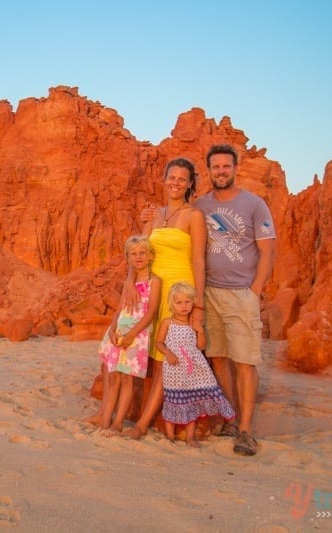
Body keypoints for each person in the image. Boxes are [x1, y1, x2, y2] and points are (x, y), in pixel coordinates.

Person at [195, 144, 276, 456]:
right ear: (209, 170)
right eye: (215, 167)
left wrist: (254, 290)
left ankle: (245, 430)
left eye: (226, 167)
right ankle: (230, 417)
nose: (221, 172)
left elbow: (268, 251)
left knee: (244, 361)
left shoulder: (254, 205)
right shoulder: (201, 205)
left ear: (235, 168)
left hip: (242, 294)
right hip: (210, 292)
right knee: (218, 358)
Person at [121, 158, 207, 440]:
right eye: (172, 177)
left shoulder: (194, 216)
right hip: (152, 291)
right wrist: (130, 282)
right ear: (164, 179)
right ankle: (120, 413)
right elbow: (140, 251)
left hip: (178, 293)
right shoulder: (154, 215)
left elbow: (198, 261)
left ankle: (143, 424)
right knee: (140, 349)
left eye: (183, 179)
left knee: (162, 360)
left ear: (190, 183)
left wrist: (198, 306)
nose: (176, 183)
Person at [88, 235, 161, 434]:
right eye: (133, 254)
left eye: (142, 253)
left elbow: (151, 311)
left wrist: (133, 334)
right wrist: (112, 329)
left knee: (128, 379)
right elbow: (120, 308)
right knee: (113, 376)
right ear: (127, 258)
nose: (138, 257)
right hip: (119, 330)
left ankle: (117, 422)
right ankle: (105, 420)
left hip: (137, 335)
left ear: (150, 256)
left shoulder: (155, 282)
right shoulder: (129, 282)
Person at [155, 281, 235, 447]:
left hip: (193, 370)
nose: (183, 306)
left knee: (191, 401)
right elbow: (159, 343)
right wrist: (168, 353)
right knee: (173, 399)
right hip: (174, 369)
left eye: (187, 302)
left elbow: (201, 346)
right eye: (179, 302)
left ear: (192, 302)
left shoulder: (194, 324)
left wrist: (199, 330)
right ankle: (170, 437)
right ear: (172, 304)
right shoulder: (167, 323)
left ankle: (191, 437)